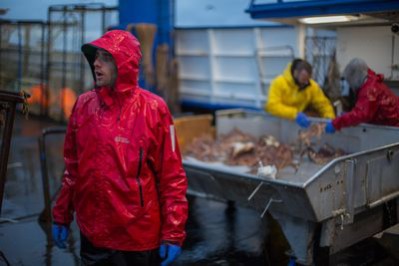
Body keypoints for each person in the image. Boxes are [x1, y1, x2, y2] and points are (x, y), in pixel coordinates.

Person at [51, 30, 188, 266]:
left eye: (105, 57)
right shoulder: (84, 105)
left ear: (123, 63)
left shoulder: (154, 109)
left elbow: (171, 177)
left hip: (138, 239)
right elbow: (72, 169)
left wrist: (173, 232)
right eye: (95, 56)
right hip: (93, 234)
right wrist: (61, 214)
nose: (96, 63)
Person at [325, 58, 399, 133]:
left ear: (355, 77)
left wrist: (336, 123)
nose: (350, 85)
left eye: (350, 80)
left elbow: (361, 115)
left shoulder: (369, 90)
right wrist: (348, 116)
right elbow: (370, 111)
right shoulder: (371, 81)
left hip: (394, 129)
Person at [265, 58, 335, 128]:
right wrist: (294, 114)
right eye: (303, 79)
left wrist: (329, 118)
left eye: (308, 79)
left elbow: (323, 104)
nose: (306, 82)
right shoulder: (278, 83)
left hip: (298, 124)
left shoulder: (311, 86)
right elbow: (272, 106)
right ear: (295, 73)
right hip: (279, 123)